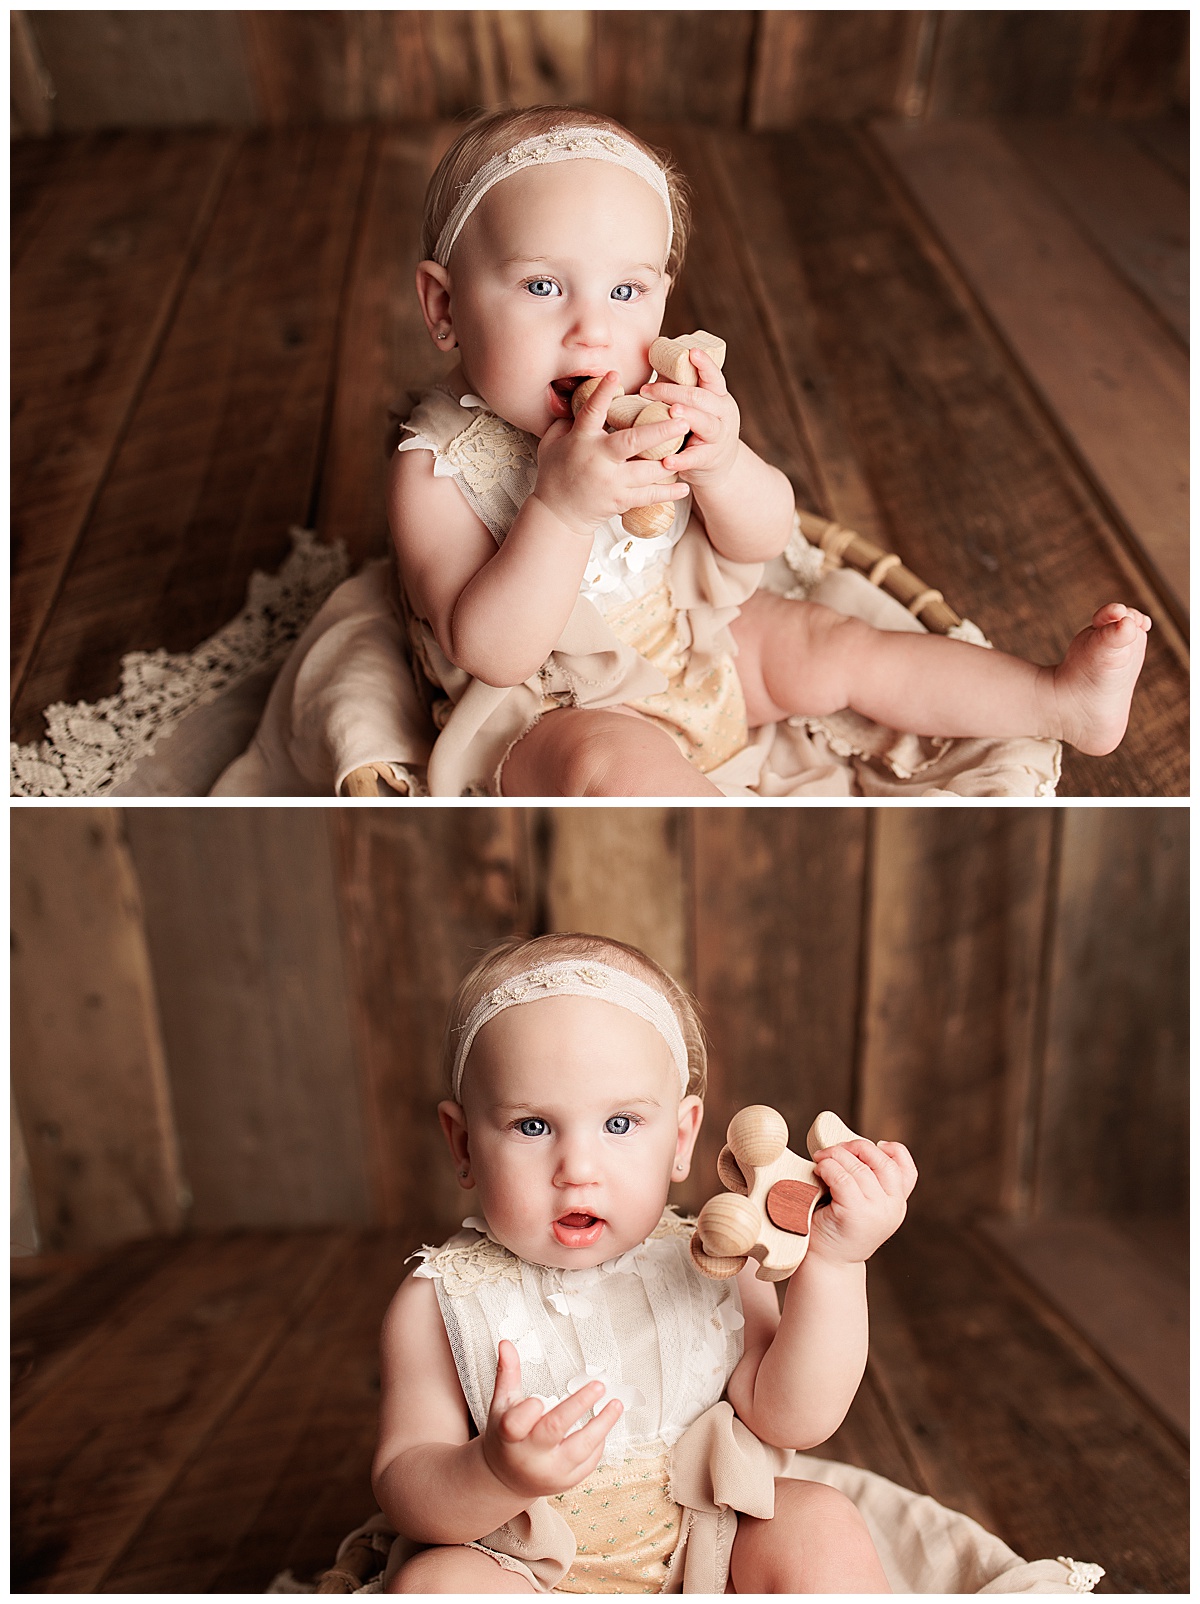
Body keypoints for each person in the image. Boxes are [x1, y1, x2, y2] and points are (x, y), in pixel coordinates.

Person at [388, 105, 1150, 797]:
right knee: (612, 766)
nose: (592, 332)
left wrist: (721, 463)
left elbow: (766, 538)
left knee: (832, 643)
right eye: (543, 286)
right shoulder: (435, 467)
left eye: (625, 293)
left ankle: (1056, 699)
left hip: (693, 648)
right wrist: (558, 509)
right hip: (550, 709)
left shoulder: (656, 401)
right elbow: (492, 653)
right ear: (445, 307)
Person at [372, 931, 917, 1593]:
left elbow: (792, 1419)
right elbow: (406, 1487)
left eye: (621, 1124)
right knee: (437, 1585)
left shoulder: (713, 1260)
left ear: (682, 1138)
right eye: (533, 1126)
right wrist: (495, 1472)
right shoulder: (442, 1301)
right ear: (462, 1144)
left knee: (819, 1524)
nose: (579, 1170)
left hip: (705, 1553)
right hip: (523, 1565)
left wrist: (833, 1263)